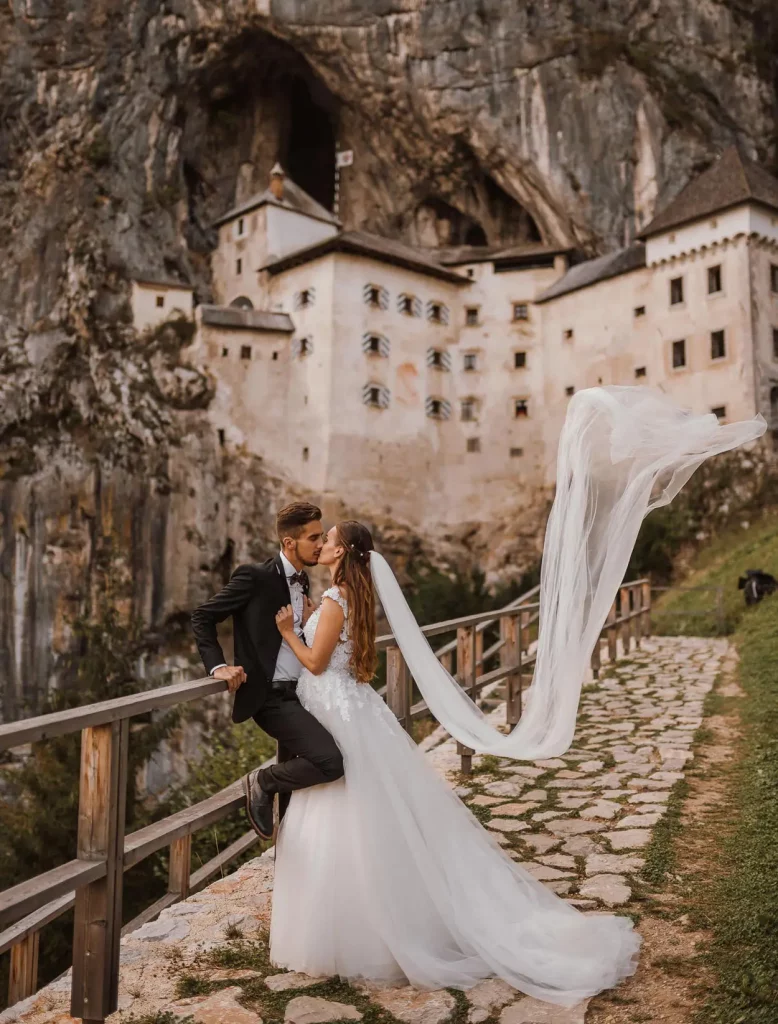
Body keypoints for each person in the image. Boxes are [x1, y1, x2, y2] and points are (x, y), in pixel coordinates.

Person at [268, 519, 641, 1005]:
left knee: (340, 806)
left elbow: (316, 663)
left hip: (334, 706)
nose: (322, 544)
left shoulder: (337, 600)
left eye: (329, 539)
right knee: (352, 806)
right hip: (345, 706)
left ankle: (349, 933)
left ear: (341, 552)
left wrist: (287, 632)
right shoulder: (349, 598)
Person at [190, 502, 344, 839]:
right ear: (289, 542)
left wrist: (308, 625)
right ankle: (262, 781)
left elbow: (293, 641)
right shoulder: (254, 577)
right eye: (313, 538)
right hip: (271, 698)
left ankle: (291, 853)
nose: (320, 544)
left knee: (310, 775)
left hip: (305, 692)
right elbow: (202, 616)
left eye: (322, 536)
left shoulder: (303, 582)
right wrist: (218, 667)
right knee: (330, 760)